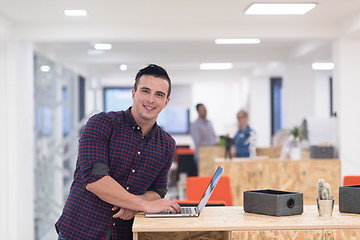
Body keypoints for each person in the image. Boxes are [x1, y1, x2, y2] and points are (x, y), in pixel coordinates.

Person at [55, 64, 181, 240]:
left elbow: (158, 191)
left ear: (166, 102)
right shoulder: (101, 124)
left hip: (124, 234)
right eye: (145, 91)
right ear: (133, 94)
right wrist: (143, 204)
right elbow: (95, 180)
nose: (151, 99)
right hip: (81, 231)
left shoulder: (167, 144)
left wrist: (135, 203)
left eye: (159, 94)